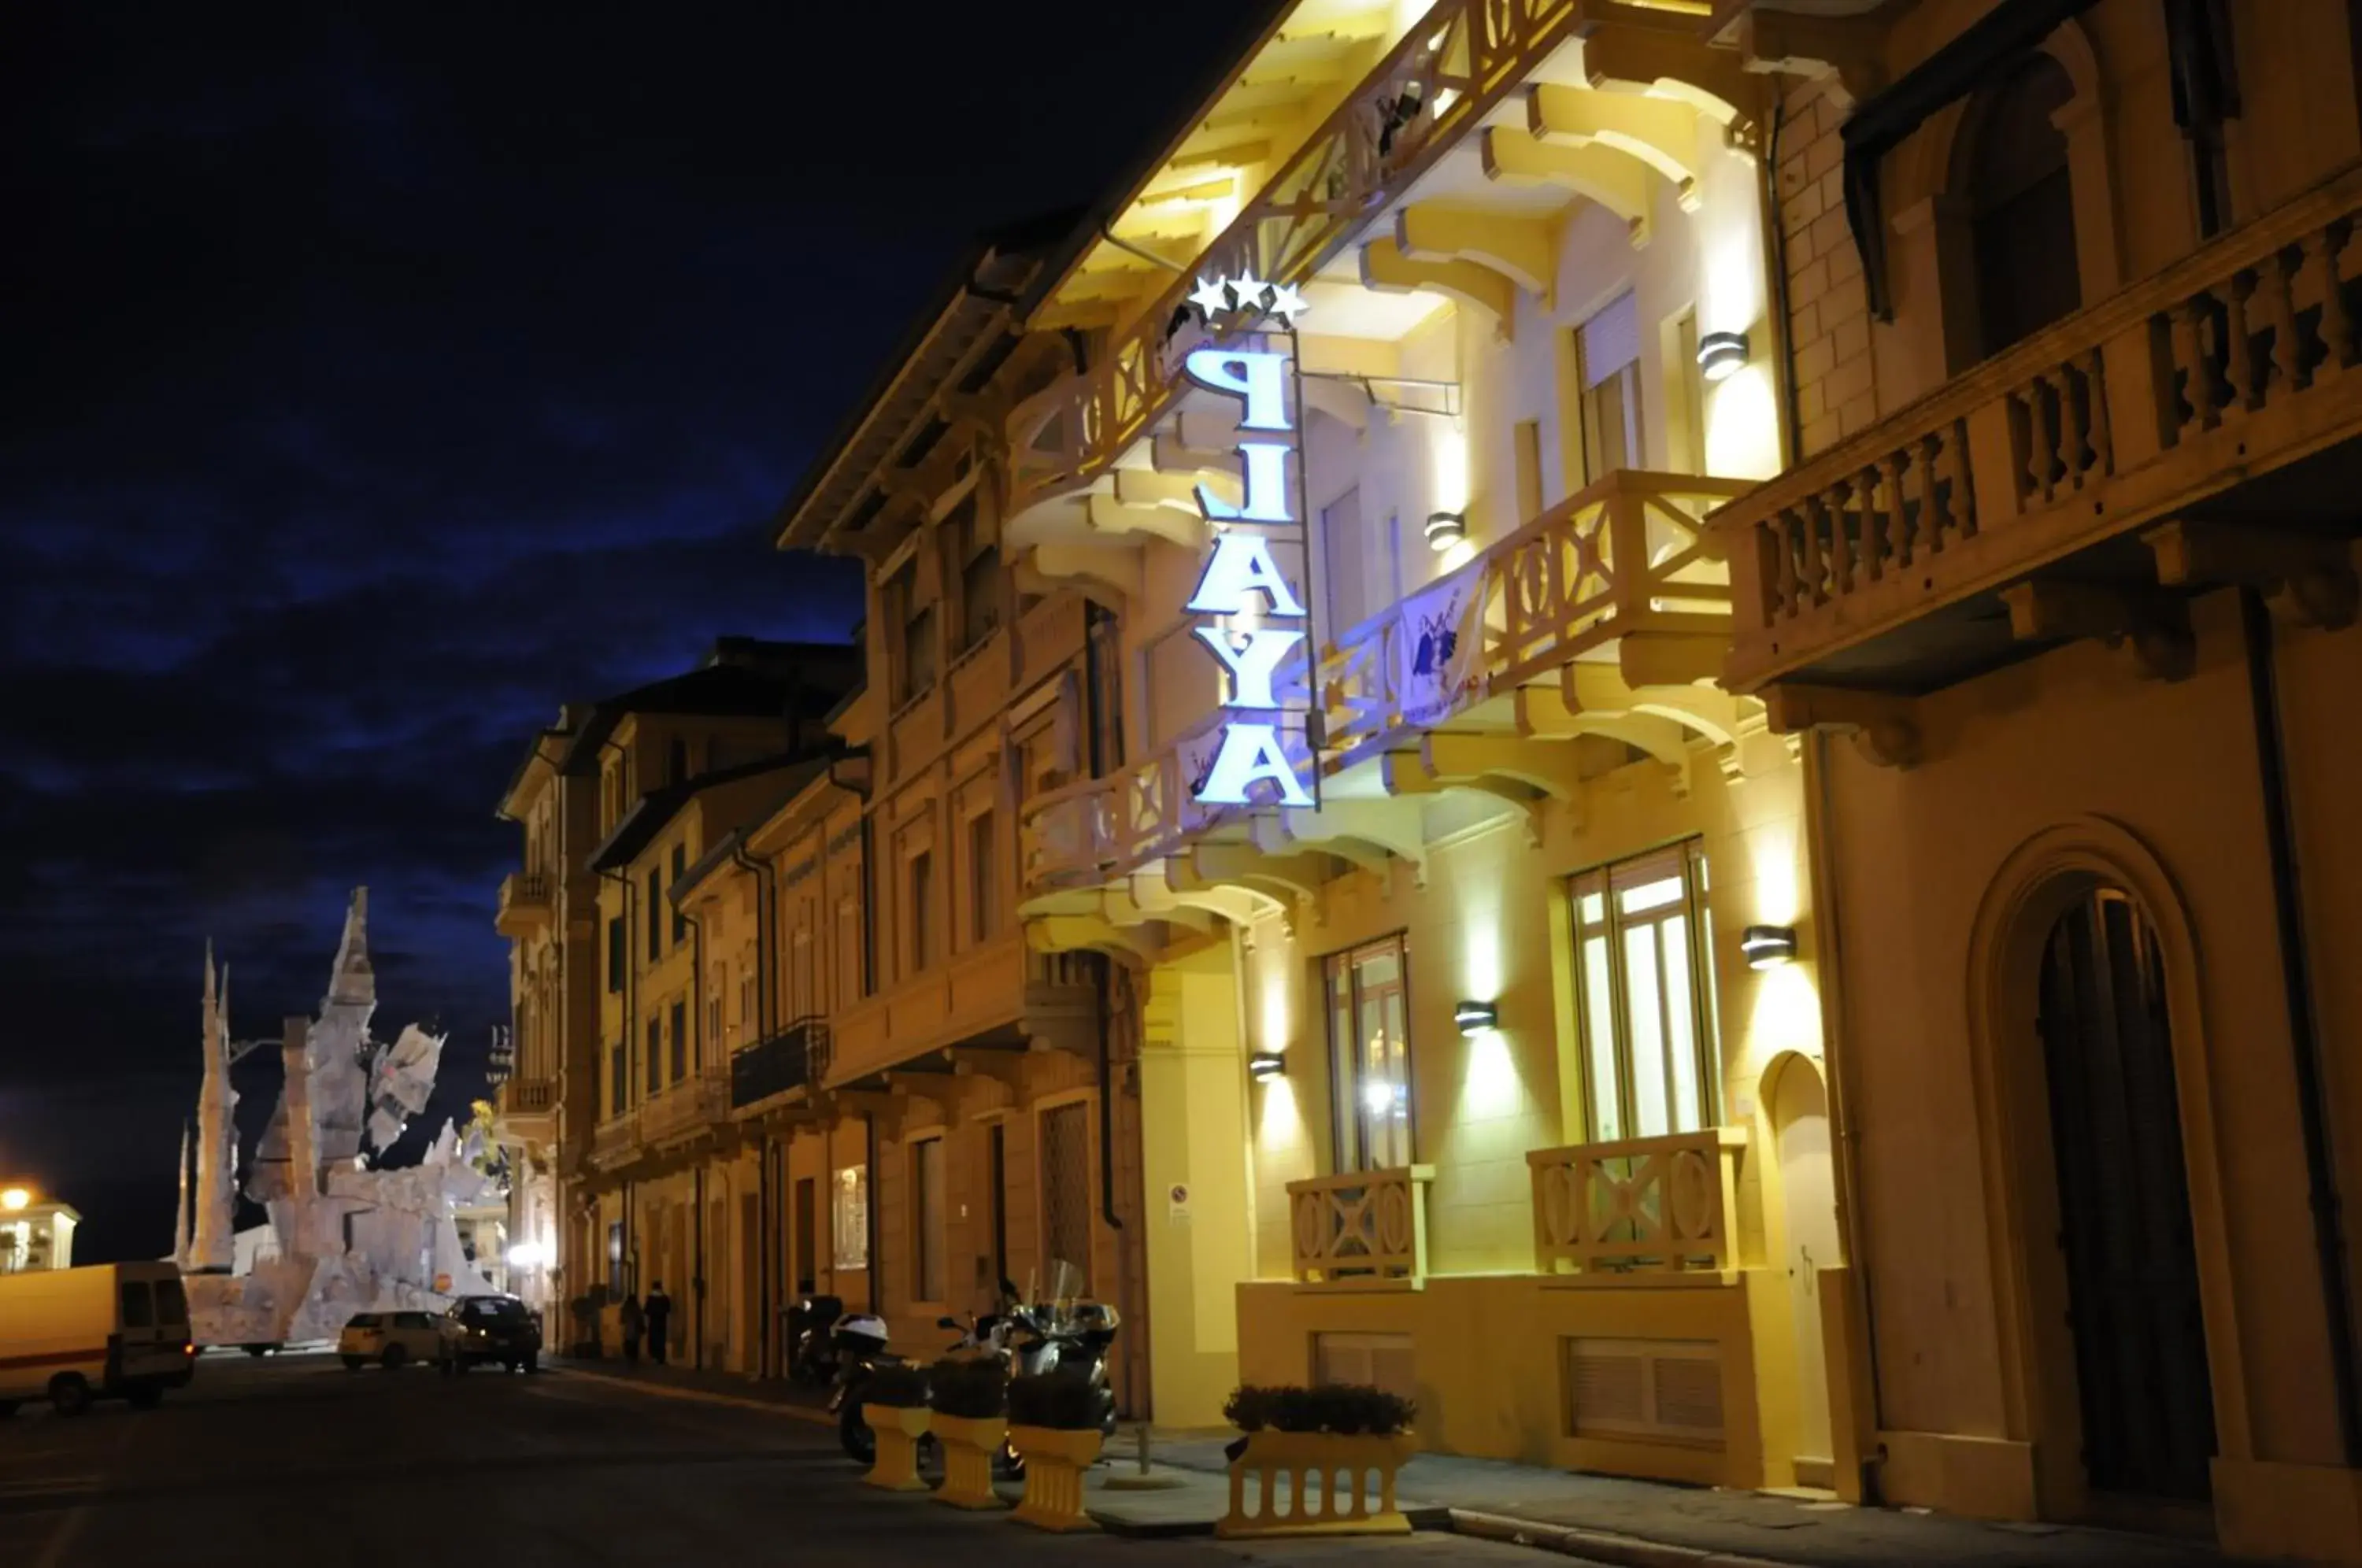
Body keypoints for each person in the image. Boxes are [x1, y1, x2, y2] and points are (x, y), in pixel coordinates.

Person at [644, 1281, 672, 1366]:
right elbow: (668, 1309)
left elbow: (647, 1310)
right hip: (662, 1322)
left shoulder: (651, 1298)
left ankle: (654, 1356)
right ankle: (661, 1357)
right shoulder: (665, 1298)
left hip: (653, 1322)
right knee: (661, 1339)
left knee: (653, 1339)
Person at [618, 1290, 643, 1364]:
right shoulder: (637, 1307)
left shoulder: (625, 1307)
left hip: (628, 1330)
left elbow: (622, 1320)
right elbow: (640, 1318)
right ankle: (634, 1358)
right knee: (635, 1344)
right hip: (636, 1330)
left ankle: (629, 1357)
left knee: (628, 1343)